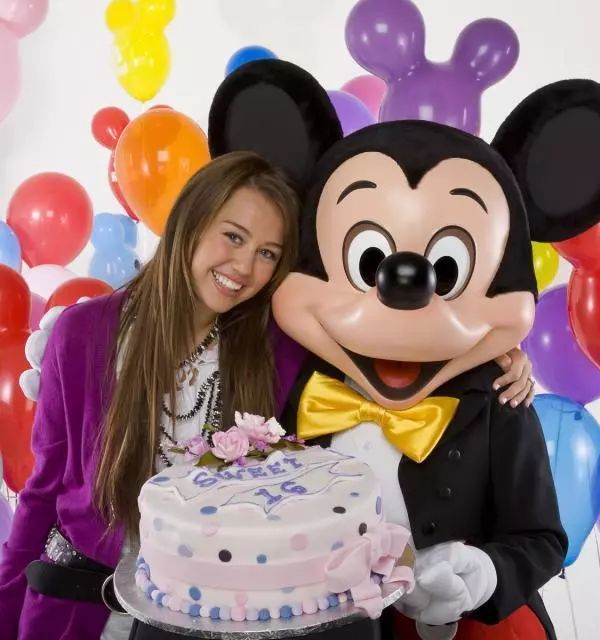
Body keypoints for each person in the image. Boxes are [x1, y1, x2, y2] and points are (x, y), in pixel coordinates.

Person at [1, 150, 534, 640]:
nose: (243, 267)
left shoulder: (276, 347)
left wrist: (493, 355)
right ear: (191, 220)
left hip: (209, 618)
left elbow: (387, 341)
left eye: (266, 253)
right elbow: (42, 490)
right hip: (78, 613)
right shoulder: (83, 332)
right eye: (233, 237)